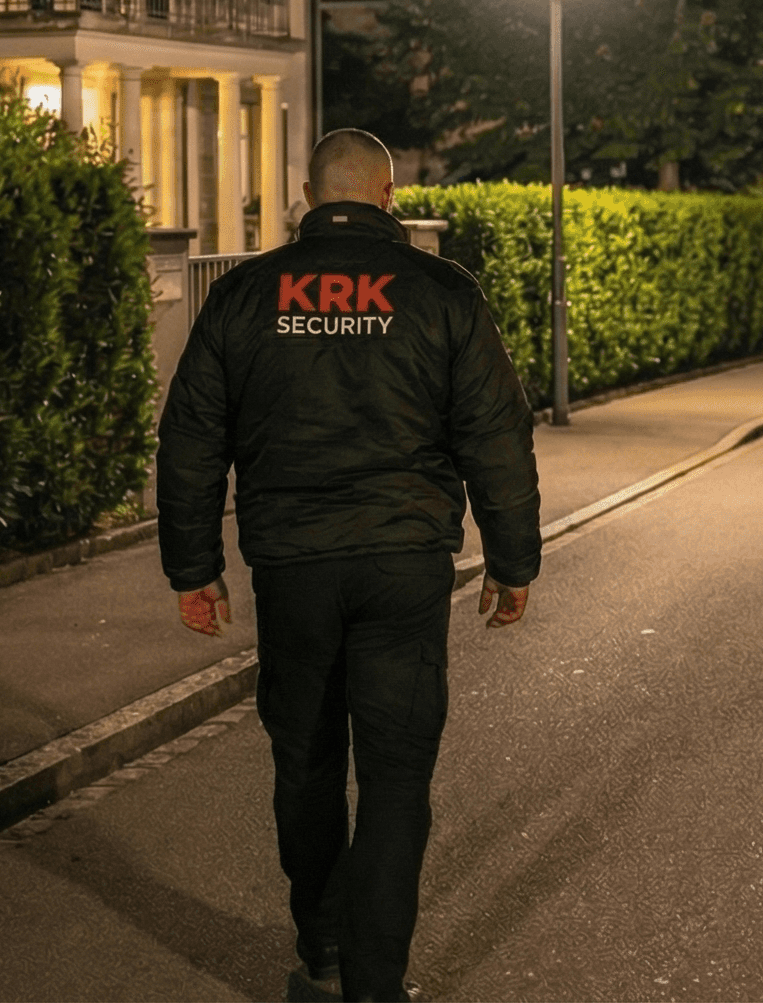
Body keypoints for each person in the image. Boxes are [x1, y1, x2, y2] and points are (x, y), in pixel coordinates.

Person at [158, 128, 541, 1002]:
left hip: (292, 565)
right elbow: (496, 434)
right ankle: (376, 985)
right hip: (404, 564)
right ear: (389, 195)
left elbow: (190, 438)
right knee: (398, 775)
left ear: (305, 194)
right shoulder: (442, 292)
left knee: (306, 761)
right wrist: (511, 559)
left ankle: (323, 952)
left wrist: (193, 568)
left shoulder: (246, 296)